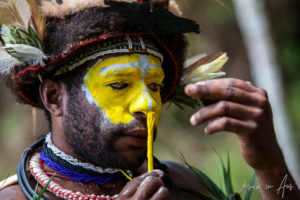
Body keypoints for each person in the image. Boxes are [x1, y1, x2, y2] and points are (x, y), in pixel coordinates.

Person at [0, 0, 299, 199]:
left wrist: (270, 165)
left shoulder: (184, 186)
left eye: (154, 86)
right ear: (54, 97)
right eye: (119, 84)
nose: (147, 104)